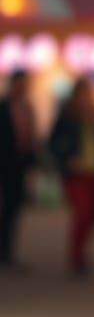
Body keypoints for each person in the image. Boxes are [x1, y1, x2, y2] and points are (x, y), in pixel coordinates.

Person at [48, 77, 94, 277]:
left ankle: (80, 251)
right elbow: (53, 143)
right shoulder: (67, 118)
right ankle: (77, 256)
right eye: (83, 94)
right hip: (76, 174)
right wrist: (68, 158)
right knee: (83, 213)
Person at [0, 69, 38, 271]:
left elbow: (30, 137)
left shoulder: (27, 108)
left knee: (13, 208)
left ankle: (6, 251)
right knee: (7, 208)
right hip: (4, 164)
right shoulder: (3, 107)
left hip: (20, 165)